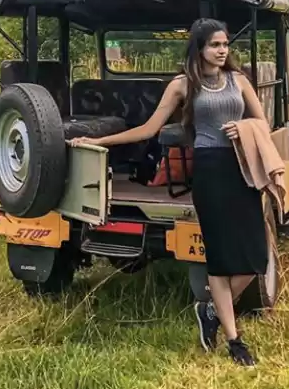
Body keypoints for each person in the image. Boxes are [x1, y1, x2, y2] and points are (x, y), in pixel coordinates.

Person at [67, 19, 268, 367]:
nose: (222, 51)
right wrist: (97, 141)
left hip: (241, 168)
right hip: (209, 169)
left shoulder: (240, 81)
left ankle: (209, 310)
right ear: (199, 49)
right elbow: (147, 129)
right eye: (215, 45)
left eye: (225, 45)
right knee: (219, 259)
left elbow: (262, 122)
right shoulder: (182, 85)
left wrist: (245, 126)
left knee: (255, 257)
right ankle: (235, 341)